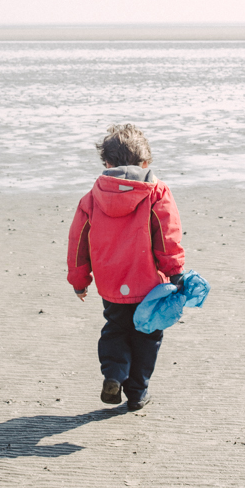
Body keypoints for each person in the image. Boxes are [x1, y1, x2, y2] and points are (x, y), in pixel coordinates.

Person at [67, 123, 185, 411]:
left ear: (107, 163)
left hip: (111, 283)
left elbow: (78, 241)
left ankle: (113, 374)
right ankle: (137, 392)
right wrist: (176, 272)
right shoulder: (157, 192)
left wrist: (79, 280)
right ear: (145, 162)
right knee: (148, 334)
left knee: (116, 329)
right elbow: (166, 236)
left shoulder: (92, 197)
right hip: (149, 285)